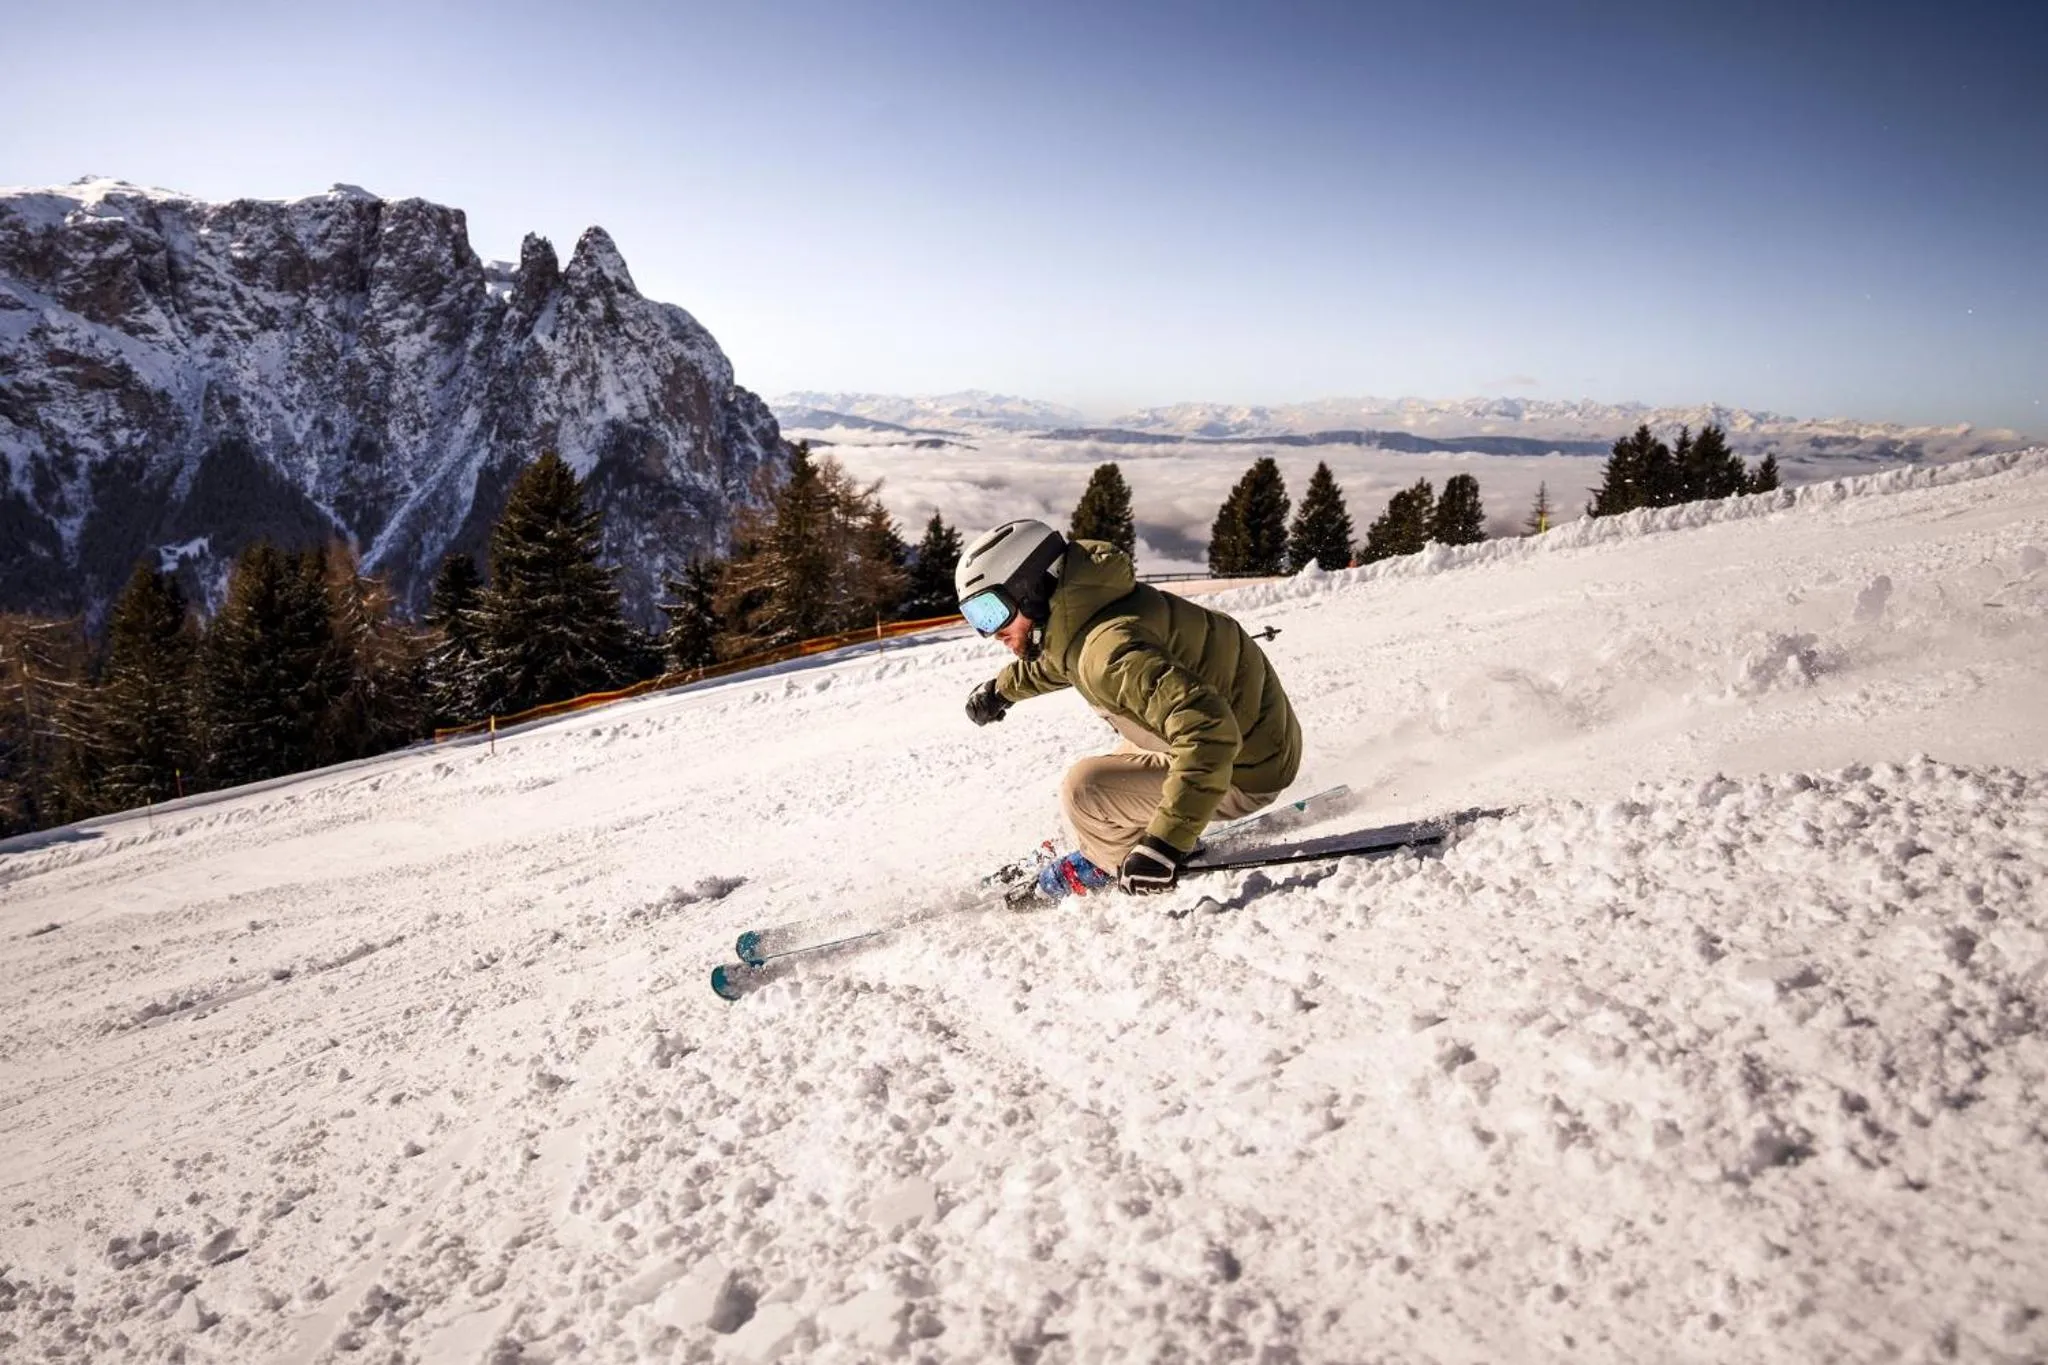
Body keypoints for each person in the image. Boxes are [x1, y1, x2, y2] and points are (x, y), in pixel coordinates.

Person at [956, 518, 1302, 898]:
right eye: (976, 618)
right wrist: (1000, 690)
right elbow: (1060, 659)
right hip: (1256, 733)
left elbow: (1210, 733)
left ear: (1031, 588)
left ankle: (1109, 859)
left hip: (1246, 769)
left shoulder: (1108, 652)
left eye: (992, 611)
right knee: (1114, 771)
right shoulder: (1087, 609)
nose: (990, 632)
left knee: (1084, 791)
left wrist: (1167, 843)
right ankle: (1107, 832)